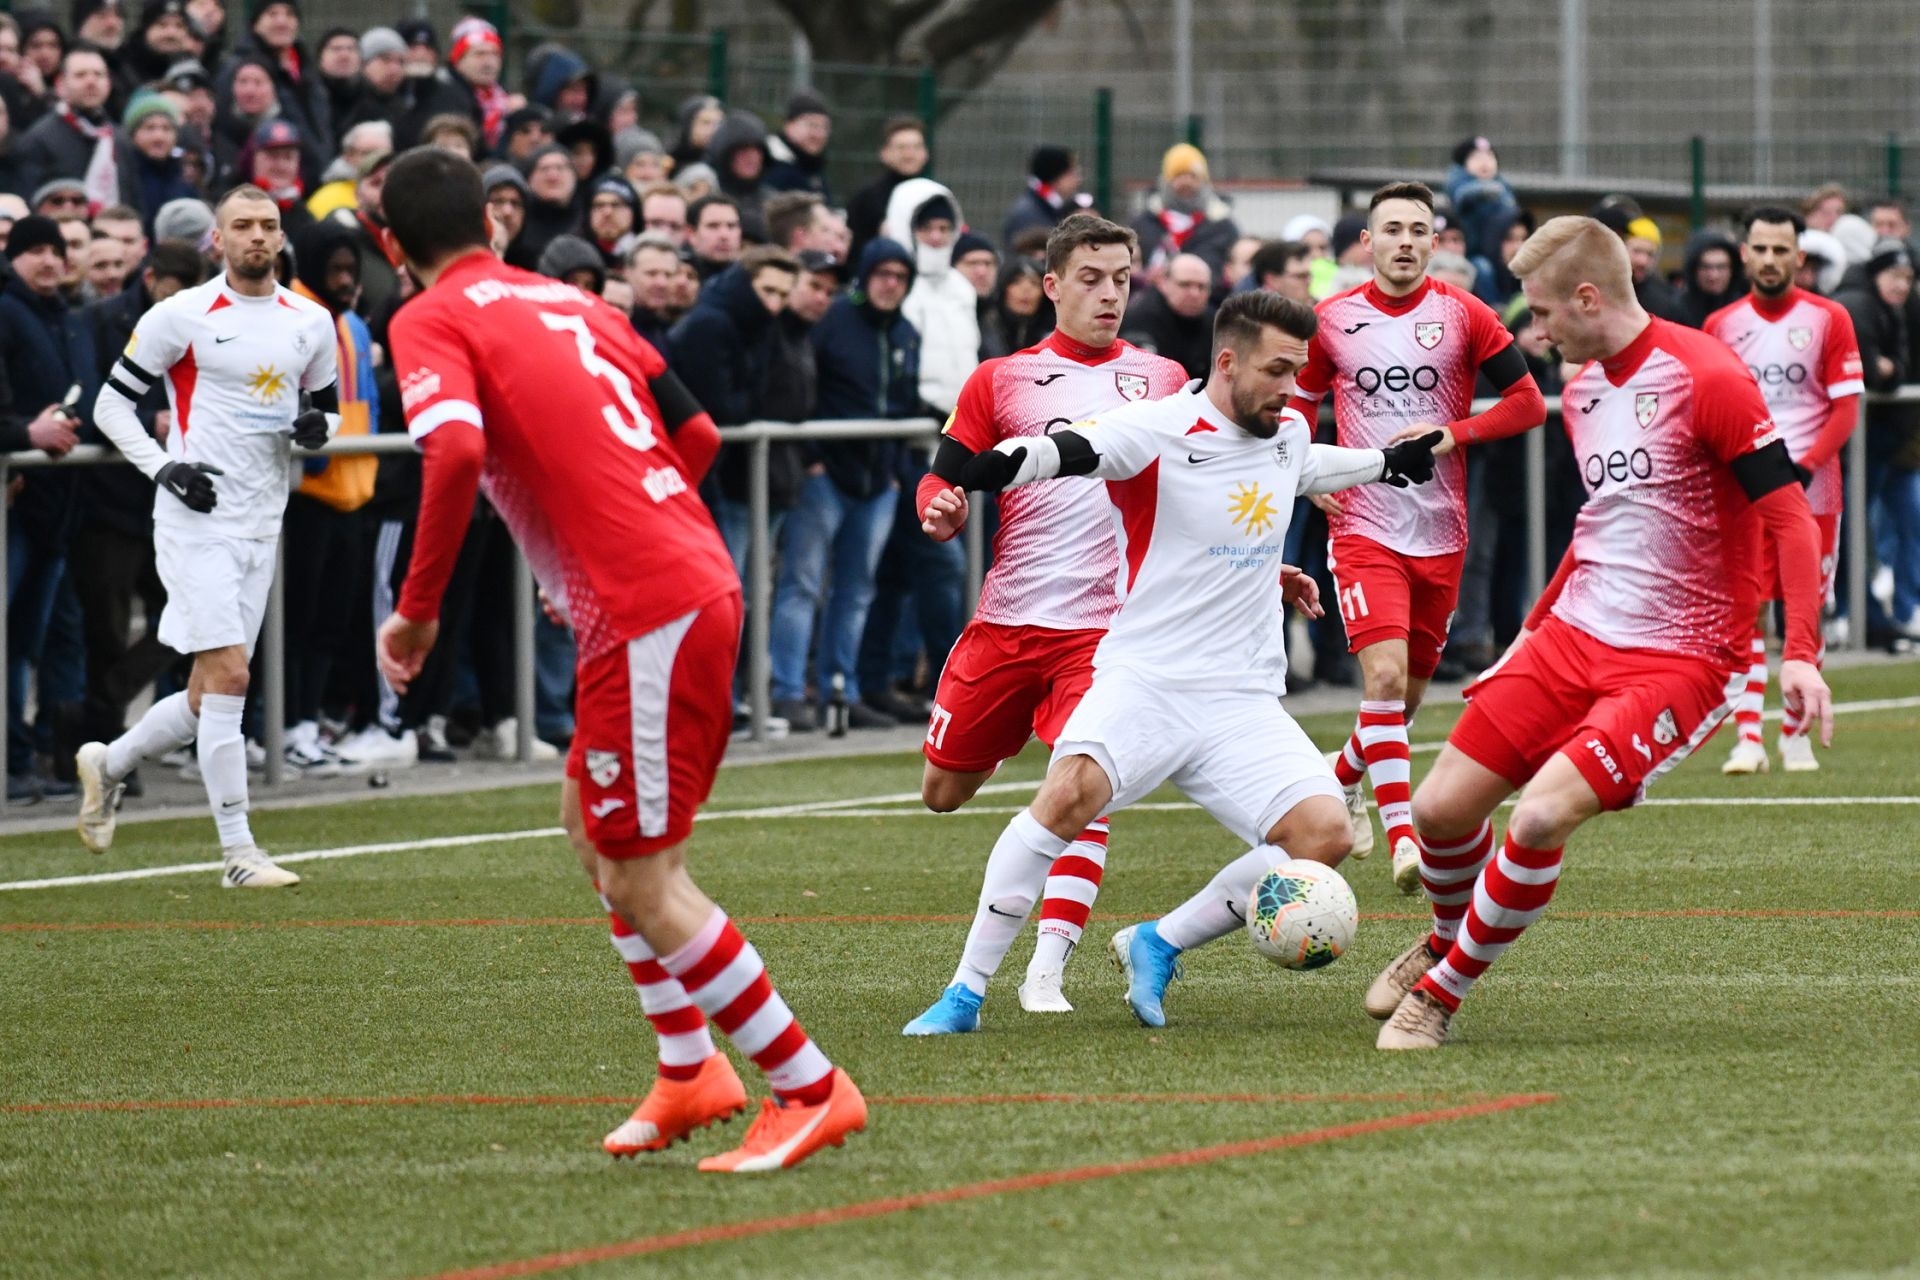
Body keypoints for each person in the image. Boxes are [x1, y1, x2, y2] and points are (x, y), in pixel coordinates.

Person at [370, 146, 864, 1172]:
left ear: (389, 245)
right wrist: (620, 534)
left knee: (643, 871)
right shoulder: (573, 301)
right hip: (667, 587)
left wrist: (416, 612)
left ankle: (809, 1083)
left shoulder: (428, 314)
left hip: (649, 605)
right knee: (590, 829)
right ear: (496, 226)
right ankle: (691, 1069)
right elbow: (694, 430)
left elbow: (455, 452)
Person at [916, 290, 1444, 1032]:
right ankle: (965, 994)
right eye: (1277, 369)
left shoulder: (1285, 430)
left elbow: (1308, 464)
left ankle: (1158, 943)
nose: (1291, 387)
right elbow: (1067, 449)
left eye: (1298, 370)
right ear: (1227, 363)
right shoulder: (1156, 429)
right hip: (1147, 683)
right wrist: (987, 470)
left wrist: (1386, 462)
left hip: (1242, 703)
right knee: (1065, 800)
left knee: (1321, 836)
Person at [1366, 215, 1834, 1050]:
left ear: (1588, 297)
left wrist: (1799, 656)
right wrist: (1531, 629)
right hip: (1573, 633)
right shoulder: (1581, 392)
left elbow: (1790, 517)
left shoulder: (1707, 376)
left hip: (1682, 658)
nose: (1535, 337)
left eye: (1542, 316)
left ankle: (1440, 993)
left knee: (1540, 819)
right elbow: (1602, 524)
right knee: (1439, 811)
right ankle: (1446, 939)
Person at [898, 214, 1189, 1031]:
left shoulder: (1164, 379)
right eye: (1091, 278)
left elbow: (1194, 496)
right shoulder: (1002, 379)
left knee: (1083, 791)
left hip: (1105, 632)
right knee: (943, 792)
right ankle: (1017, 809)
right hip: (1008, 621)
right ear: (1052, 284)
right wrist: (942, 512)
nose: (1109, 294)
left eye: (1122, 279)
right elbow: (941, 479)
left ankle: (1044, 969)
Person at [75, 185, 339, 887]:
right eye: (243, 226)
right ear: (216, 240)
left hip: (262, 520)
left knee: (205, 697)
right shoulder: (180, 315)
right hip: (195, 521)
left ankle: (109, 763)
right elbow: (110, 405)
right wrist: (166, 469)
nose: (258, 236)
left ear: (282, 238)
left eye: (268, 225)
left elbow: (328, 411)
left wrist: (318, 433)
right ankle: (237, 853)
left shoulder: (311, 322)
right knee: (232, 678)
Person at [1285, 181, 1545, 895]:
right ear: (1366, 244)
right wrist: (1309, 478)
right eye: (1391, 229)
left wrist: (1452, 433)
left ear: (1436, 243)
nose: (1404, 241)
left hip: (1441, 531)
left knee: (1401, 705)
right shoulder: (1330, 319)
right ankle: (1406, 840)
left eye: (1418, 230)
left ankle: (1341, 781)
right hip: (1365, 526)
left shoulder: (1465, 314)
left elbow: (1526, 404)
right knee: (1387, 681)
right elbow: (1297, 410)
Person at [1705, 207, 1862, 776]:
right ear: (1744, 254)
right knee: (1746, 612)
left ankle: (1793, 736)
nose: (1770, 260)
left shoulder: (1830, 317)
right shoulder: (1719, 325)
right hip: (1746, 490)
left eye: (1781, 250)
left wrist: (1807, 464)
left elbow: (1846, 408)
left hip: (1813, 492)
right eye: (1760, 249)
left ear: (1799, 257)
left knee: (1805, 611)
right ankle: (1749, 738)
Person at [769, 237, 920, 731]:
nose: (890, 284)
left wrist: (896, 474)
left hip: (877, 481)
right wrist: (812, 458)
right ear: (867, 277)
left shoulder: (905, 333)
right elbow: (803, 387)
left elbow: (903, 401)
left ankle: (842, 690)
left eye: (900, 277)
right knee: (803, 584)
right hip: (827, 474)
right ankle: (788, 692)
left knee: (856, 590)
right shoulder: (833, 322)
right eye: (883, 274)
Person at [74, 238, 204, 761]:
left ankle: (103, 719)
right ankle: (102, 751)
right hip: (109, 502)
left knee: (191, 613)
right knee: (104, 633)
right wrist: (151, 420)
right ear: (151, 281)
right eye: (176, 293)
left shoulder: (189, 324)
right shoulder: (100, 321)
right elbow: (91, 398)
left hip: (163, 502)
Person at [0, 214, 93, 801]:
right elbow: (21, 421)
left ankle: (17, 761)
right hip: (15, 504)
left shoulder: (71, 323)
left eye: (55, 250)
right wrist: (23, 435)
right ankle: (10, 762)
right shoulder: (7, 312)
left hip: (54, 508)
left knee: (26, 642)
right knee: (7, 639)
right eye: (33, 250)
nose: (47, 261)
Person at [16, 44, 134, 209]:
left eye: (98, 75)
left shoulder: (120, 138)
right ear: (60, 85)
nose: (91, 82)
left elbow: (133, 200)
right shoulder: (38, 139)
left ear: (108, 83)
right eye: (80, 75)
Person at [1128, 142, 1240, 283]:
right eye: (1179, 175)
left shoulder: (1222, 227)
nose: (1186, 182)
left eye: (1193, 176)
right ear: (1165, 181)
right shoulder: (1143, 223)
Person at [1119, 250, 1215, 379]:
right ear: (1163, 283)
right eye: (1185, 285)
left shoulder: (1215, 322)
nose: (1195, 294)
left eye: (1202, 287)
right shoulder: (1141, 319)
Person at [845, 115, 926, 259]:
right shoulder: (866, 199)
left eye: (916, 147)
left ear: (925, 153)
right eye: (902, 148)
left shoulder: (934, 195)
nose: (909, 154)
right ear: (884, 153)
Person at [1002, 144, 1089, 249]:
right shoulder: (1029, 215)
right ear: (1056, 176)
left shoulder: (1046, 206)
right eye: (1071, 173)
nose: (1078, 179)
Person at [977, 255, 1051, 359]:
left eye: (1034, 283)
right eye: (1017, 282)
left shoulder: (1052, 333)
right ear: (1004, 288)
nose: (1026, 289)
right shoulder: (983, 327)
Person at [763, 90, 831, 202]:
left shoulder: (812, 167)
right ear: (788, 125)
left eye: (824, 127)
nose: (819, 134)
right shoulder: (770, 165)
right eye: (812, 125)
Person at [1676, 229, 1746, 329]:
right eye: (1705, 267)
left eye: (1721, 267)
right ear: (1694, 270)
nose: (1714, 276)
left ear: (1733, 270)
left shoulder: (1744, 311)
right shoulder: (1675, 311)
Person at [686, 191, 740, 282]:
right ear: (691, 234)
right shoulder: (677, 281)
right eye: (713, 226)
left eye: (731, 226)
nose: (724, 235)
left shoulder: (754, 282)